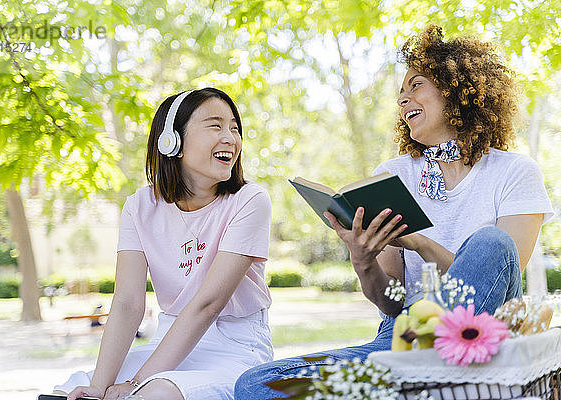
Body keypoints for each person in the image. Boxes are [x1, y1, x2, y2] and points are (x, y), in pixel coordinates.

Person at [234, 25, 554, 399]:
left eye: (415, 85)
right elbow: (392, 300)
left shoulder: (514, 172)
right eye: (400, 93)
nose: (403, 99)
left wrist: (419, 243)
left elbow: (498, 276)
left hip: (476, 335)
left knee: (492, 243)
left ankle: (417, 373)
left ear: (457, 89)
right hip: (399, 339)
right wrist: (363, 259)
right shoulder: (394, 175)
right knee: (256, 385)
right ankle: (418, 380)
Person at [54, 88, 273, 400]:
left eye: (234, 128)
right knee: (71, 391)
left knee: (155, 394)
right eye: (215, 125)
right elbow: (128, 303)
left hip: (236, 348)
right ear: (172, 141)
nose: (230, 138)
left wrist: (136, 383)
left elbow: (208, 305)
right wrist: (98, 387)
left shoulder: (250, 200)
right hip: (167, 342)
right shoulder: (139, 206)